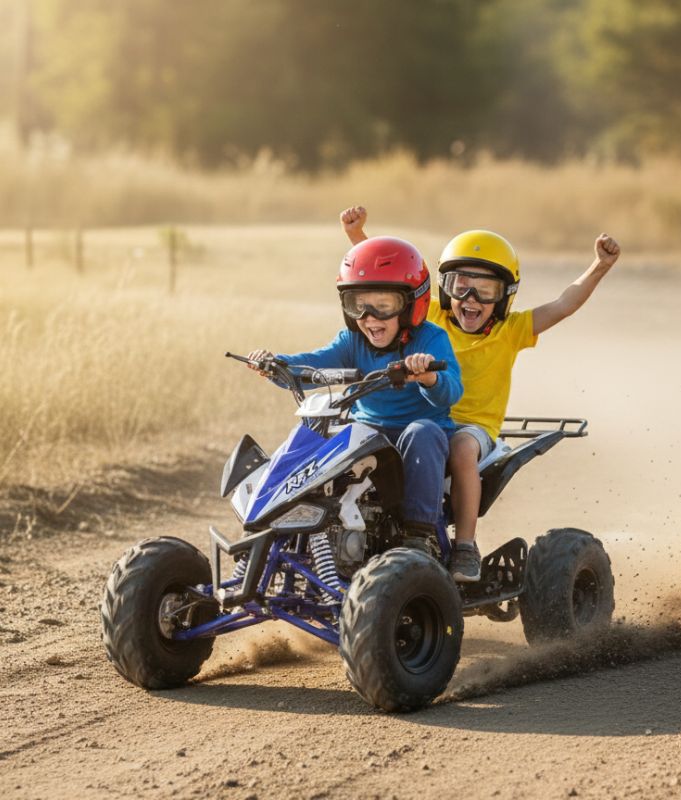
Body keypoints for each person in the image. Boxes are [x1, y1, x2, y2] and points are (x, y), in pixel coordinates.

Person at [341, 206, 620, 582]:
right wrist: (358, 235)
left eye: (486, 290)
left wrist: (599, 266)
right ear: (443, 288)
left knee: (460, 447)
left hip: (472, 428)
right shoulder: (433, 318)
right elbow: (391, 278)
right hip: (419, 418)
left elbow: (563, 304)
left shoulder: (513, 329)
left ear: (505, 295)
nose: (471, 298)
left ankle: (465, 546)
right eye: (460, 285)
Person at [248, 235, 463, 548]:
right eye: (358, 305)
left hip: (419, 438)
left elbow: (452, 391)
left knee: (423, 431)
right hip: (368, 432)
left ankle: (420, 535)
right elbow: (312, 366)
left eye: (384, 305)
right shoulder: (352, 342)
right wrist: (276, 366)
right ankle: (298, 527)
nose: (370, 318)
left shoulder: (431, 338)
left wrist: (430, 377)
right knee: (322, 431)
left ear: (411, 304)